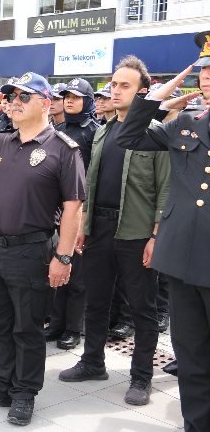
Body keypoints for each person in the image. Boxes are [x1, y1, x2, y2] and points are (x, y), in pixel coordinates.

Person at [0, 72, 85, 427]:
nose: (15, 102)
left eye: (24, 97)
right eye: (11, 96)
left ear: (45, 101)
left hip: (32, 251)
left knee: (27, 329)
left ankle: (24, 393)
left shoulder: (63, 149)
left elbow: (73, 208)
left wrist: (64, 257)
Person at [57, 56, 168, 407]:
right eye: (114, 84)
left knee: (141, 308)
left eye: (125, 85)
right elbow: (92, 181)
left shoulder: (156, 131)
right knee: (97, 299)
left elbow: (166, 187)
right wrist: (84, 226)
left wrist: (155, 235)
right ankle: (92, 362)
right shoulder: (103, 129)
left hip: (136, 231)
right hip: (101, 228)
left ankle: (141, 377)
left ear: (143, 92)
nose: (115, 91)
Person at [114, 31, 210, 432]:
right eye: (204, 71)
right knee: (192, 353)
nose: (206, 77)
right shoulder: (185, 123)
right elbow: (129, 136)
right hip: (184, 257)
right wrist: (158, 97)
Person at [46, 78, 100, 351]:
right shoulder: (58, 128)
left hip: (82, 210)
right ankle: (56, 324)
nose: (69, 100)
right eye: (66, 96)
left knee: (77, 276)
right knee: (57, 268)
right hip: (58, 210)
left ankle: (72, 329)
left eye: (76, 97)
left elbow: (94, 177)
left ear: (87, 101)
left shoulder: (95, 131)